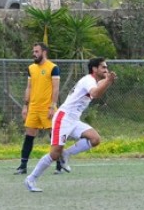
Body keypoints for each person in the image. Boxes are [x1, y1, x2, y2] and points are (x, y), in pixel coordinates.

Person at [24, 57, 116, 192]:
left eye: (106, 67)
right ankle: (31, 179)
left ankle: (66, 154)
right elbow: (95, 93)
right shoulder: (88, 80)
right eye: (103, 67)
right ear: (94, 69)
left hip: (73, 120)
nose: (106, 70)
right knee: (54, 154)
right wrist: (108, 81)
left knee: (95, 139)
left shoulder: (93, 81)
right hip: (63, 118)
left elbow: (99, 91)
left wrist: (108, 81)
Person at [15, 42, 60, 176]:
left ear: (44, 52)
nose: (34, 54)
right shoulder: (31, 68)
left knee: (54, 137)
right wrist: (25, 105)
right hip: (33, 107)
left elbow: (56, 88)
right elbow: (29, 87)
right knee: (29, 136)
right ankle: (23, 166)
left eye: (36, 51)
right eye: (33, 51)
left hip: (47, 108)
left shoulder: (53, 68)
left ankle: (59, 165)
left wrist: (52, 106)